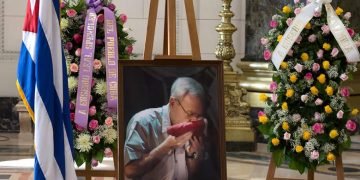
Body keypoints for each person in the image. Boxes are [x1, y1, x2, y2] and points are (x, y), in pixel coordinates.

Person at [124, 77, 207, 180]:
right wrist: (165, 147)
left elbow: (191, 175)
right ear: (173, 103)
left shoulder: (199, 126)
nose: (194, 120)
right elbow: (129, 171)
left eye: (198, 115)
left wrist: (194, 158)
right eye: (190, 113)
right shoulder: (143, 122)